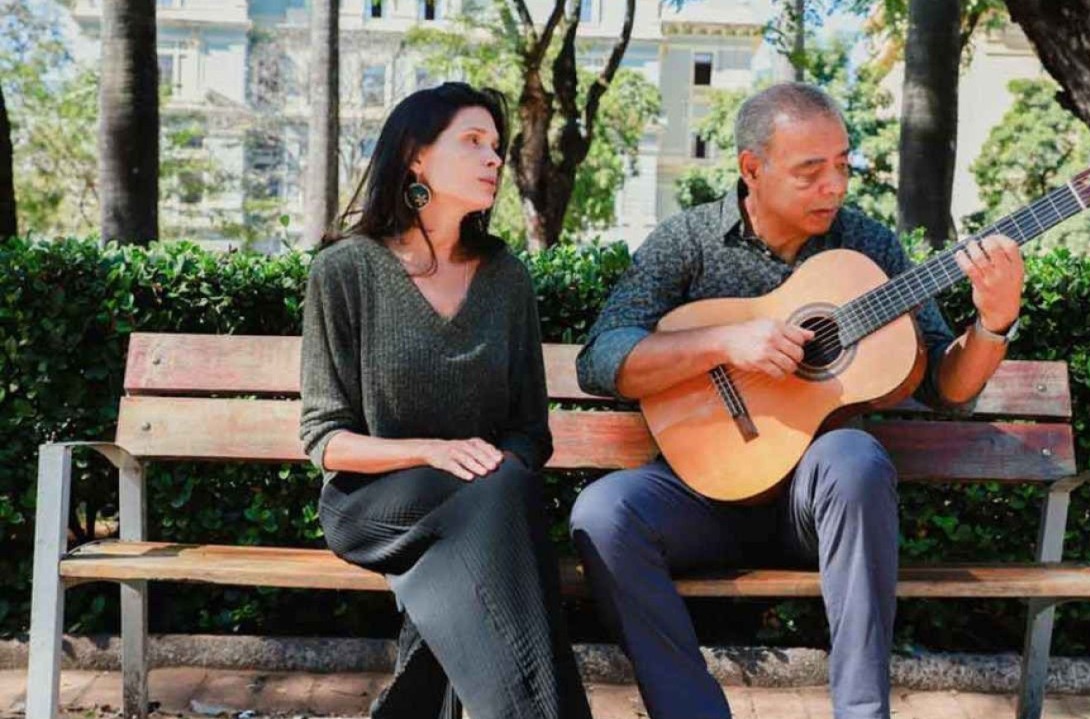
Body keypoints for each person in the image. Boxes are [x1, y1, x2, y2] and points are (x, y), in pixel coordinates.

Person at [570, 82, 1025, 719]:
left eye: (842, 165)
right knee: (603, 512)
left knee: (854, 457)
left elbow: (944, 387)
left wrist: (993, 324)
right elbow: (602, 356)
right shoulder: (689, 241)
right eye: (810, 170)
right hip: (702, 496)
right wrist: (725, 342)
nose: (834, 186)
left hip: (818, 509)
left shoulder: (870, 248)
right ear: (751, 168)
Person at [299, 81, 592, 719]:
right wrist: (431, 452)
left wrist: (492, 467)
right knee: (500, 501)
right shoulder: (346, 270)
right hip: (373, 505)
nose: (495, 159)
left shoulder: (506, 278)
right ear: (415, 157)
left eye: (496, 145)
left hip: (486, 501)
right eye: (473, 141)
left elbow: (528, 431)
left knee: (501, 494)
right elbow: (326, 440)